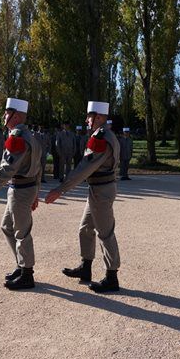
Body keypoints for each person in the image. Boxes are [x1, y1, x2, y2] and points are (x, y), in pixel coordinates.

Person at [45, 101, 121, 293]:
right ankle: (85, 268)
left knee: (105, 233)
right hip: (98, 189)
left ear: (100, 117)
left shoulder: (101, 138)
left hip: (101, 191)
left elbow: (83, 169)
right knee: (85, 228)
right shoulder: (102, 135)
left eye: (89, 116)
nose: (87, 120)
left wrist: (60, 189)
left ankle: (112, 277)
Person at [0, 98, 42, 290]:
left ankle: (27, 274)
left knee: (22, 232)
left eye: (7, 112)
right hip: (24, 189)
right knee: (7, 226)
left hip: (20, 190)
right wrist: (36, 192)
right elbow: (38, 168)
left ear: (17, 116)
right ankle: (22, 265)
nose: (4, 116)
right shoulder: (29, 136)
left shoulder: (18, 137)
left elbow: (7, 169)